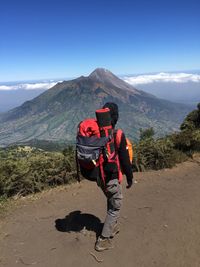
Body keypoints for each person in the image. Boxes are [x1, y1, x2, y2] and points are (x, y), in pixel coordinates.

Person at [95, 102, 133, 252]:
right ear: (115, 117)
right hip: (111, 177)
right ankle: (103, 240)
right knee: (116, 206)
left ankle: (112, 227)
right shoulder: (117, 134)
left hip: (100, 178)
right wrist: (130, 178)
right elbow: (124, 160)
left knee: (111, 199)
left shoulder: (96, 134)